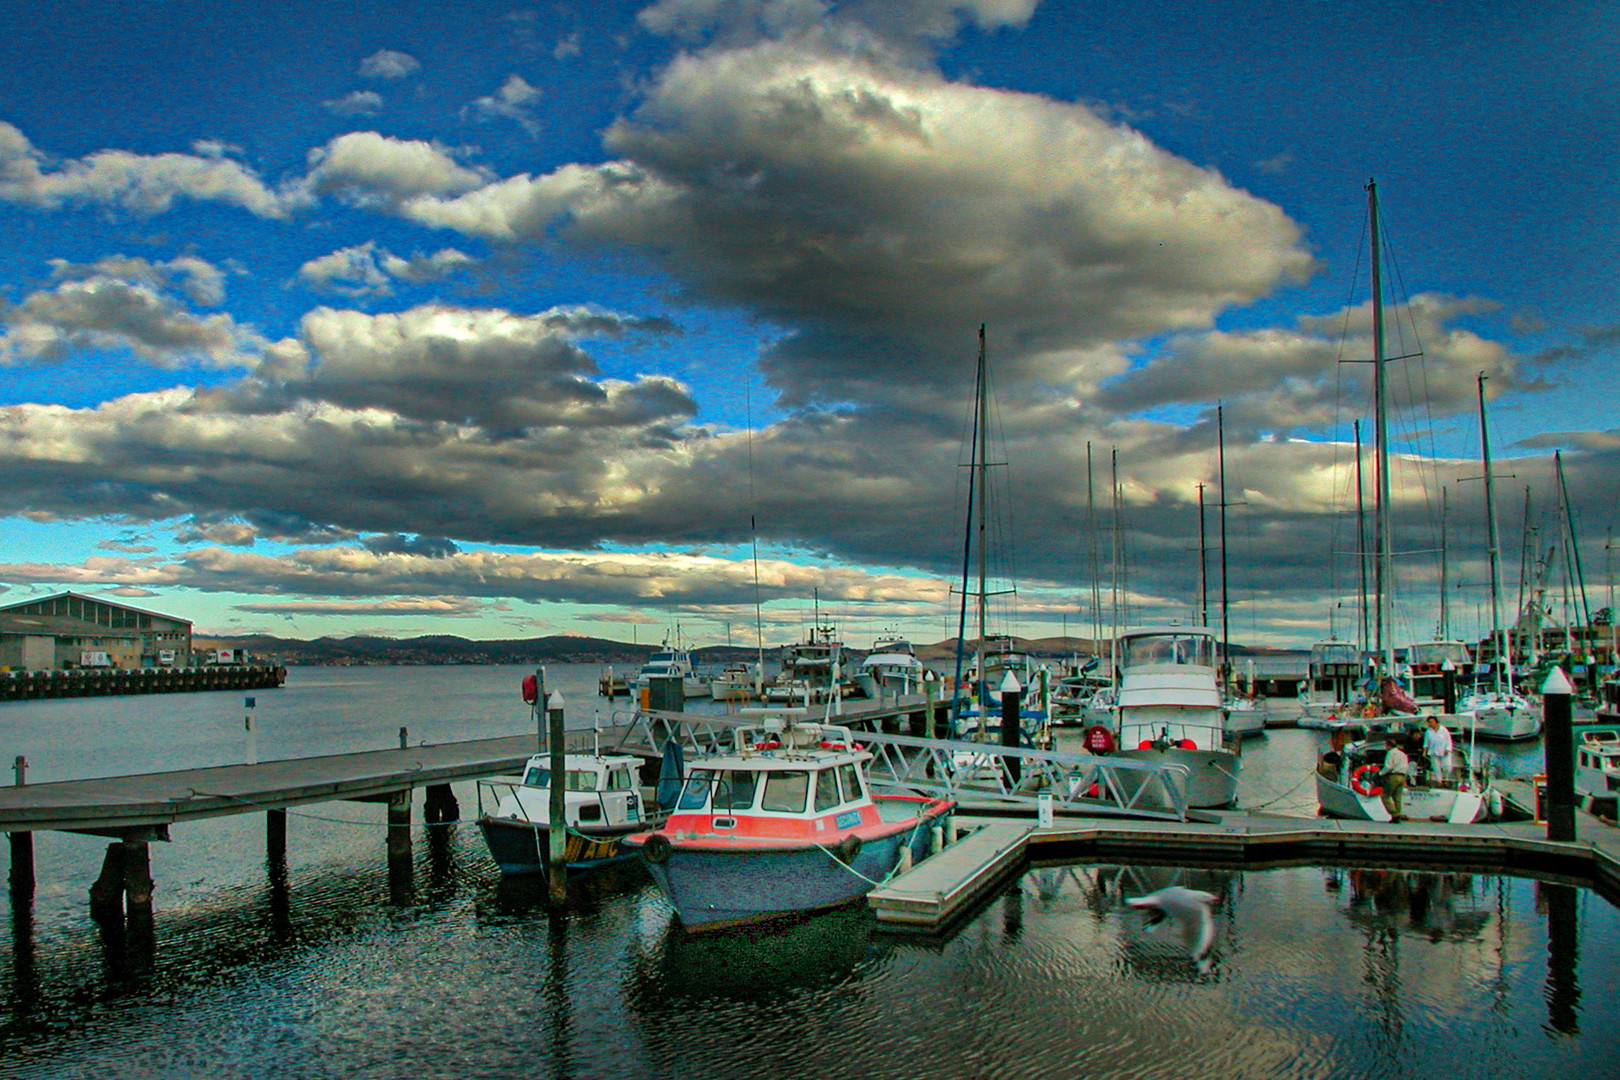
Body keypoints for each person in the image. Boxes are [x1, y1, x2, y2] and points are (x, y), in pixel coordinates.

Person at [1380, 734, 1410, 822]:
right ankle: (1397, 817)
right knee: (1397, 798)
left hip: (1394, 775)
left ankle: (1395, 814)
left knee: (1385, 795)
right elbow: (1406, 766)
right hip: (1402, 775)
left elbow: (1389, 766)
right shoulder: (1402, 753)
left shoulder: (1391, 753)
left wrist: (1380, 773)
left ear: (1388, 746)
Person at [1422, 715, 1455, 784]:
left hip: (1444, 751)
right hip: (1433, 751)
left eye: (1431, 722)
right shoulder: (1428, 731)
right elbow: (1426, 743)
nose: (1430, 724)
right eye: (1429, 722)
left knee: (1447, 767)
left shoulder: (1444, 730)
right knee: (1436, 767)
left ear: (1436, 722)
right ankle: (1439, 781)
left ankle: (1446, 779)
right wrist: (1425, 751)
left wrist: (1447, 749)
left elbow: (1449, 740)